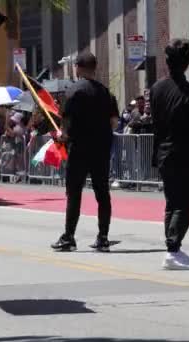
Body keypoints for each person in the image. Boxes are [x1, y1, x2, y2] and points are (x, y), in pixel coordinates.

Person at [51, 52, 119, 253]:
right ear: (95, 68)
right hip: (100, 149)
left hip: (79, 149)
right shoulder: (106, 93)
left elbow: (66, 122)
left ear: (78, 68)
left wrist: (62, 136)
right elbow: (113, 122)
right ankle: (103, 237)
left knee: (74, 193)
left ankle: (69, 236)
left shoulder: (73, 91)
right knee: (102, 193)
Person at [151, 39, 189, 270]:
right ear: (188, 62)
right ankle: (172, 249)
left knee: (172, 202)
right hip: (184, 154)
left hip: (162, 152)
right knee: (186, 202)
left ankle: (173, 248)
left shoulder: (157, 89)